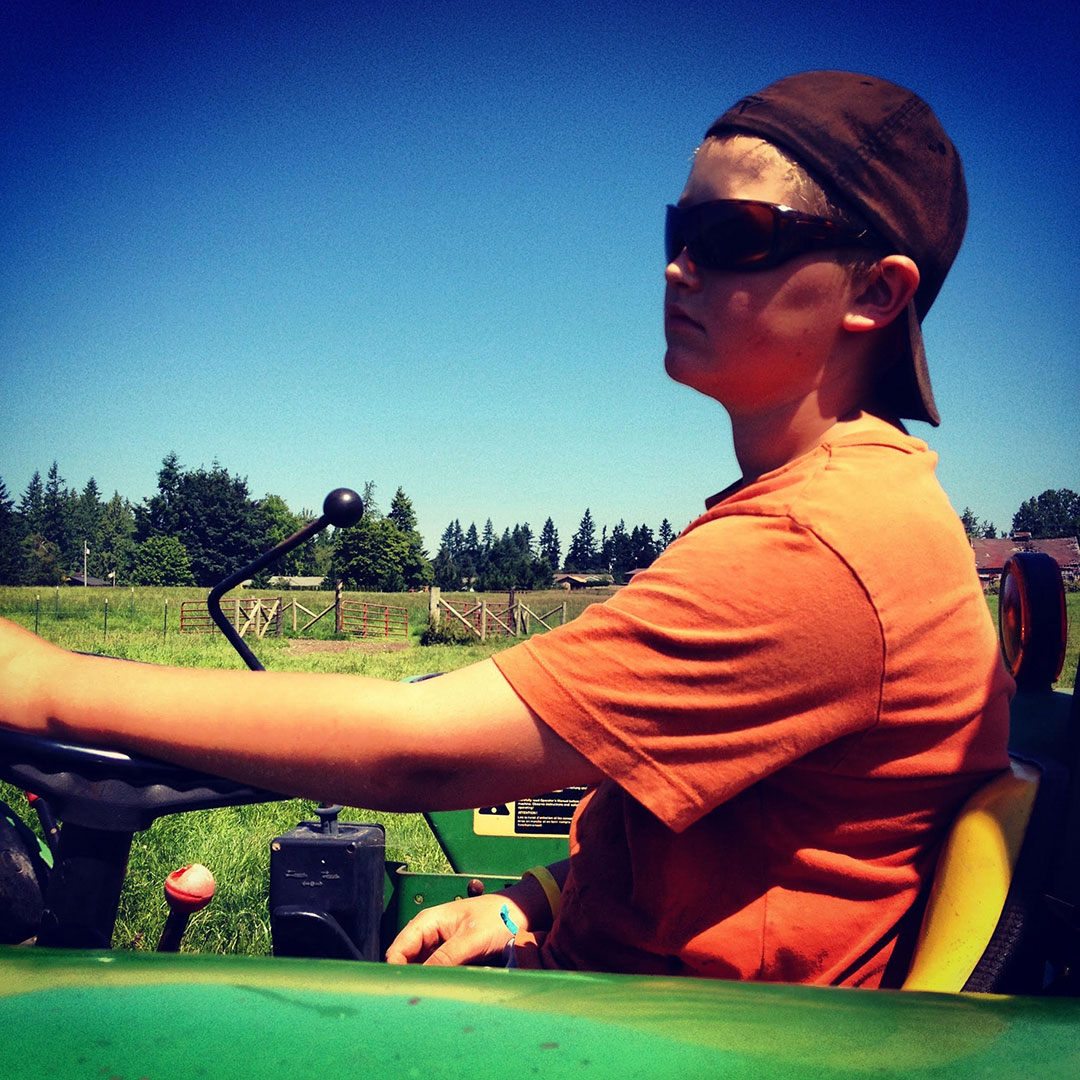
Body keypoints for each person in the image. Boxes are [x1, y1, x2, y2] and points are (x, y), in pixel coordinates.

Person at [0, 71, 1011, 987]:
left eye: (734, 235)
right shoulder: (850, 506)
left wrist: (49, 686)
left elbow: (422, 756)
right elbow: (747, 833)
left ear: (877, 291)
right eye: (677, 233)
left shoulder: (817, 548)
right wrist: (537, 895)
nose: (677, 269)